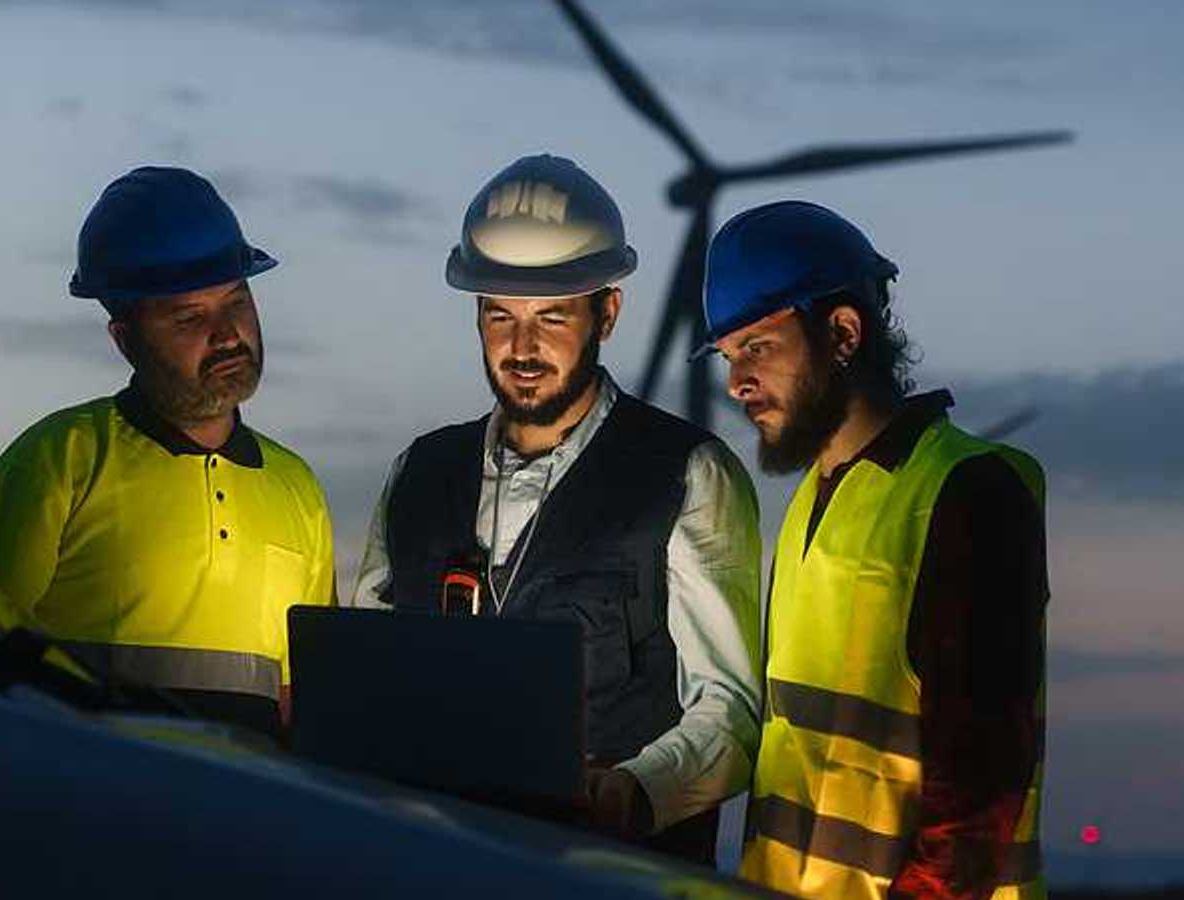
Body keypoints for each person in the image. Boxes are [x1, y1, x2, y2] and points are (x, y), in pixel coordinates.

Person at [351, 154, 761, 864]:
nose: (522, 347)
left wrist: (636, 790)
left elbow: (728, 712)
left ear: (607, 311)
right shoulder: (418, 473)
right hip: (436, 866)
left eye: (552, 317)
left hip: (612, 876)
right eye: (499, 315)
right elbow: (362, 672)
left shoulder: (685, 474)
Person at [704, 201, 1048, 899]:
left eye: (759, 347)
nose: (736, 380)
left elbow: (976, 804)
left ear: (841, 333)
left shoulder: (967, 491)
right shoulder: (811, 501)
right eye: (728, 355)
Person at [0, 166, 334, 739]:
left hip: (247, 816)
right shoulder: (59, 462)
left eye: (236, 301)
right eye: (190, 317)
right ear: (124, 338)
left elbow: (303, 699)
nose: (228, 333)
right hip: (93, 809)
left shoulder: (297, 489)